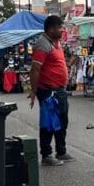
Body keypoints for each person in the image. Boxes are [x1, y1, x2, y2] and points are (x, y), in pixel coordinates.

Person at [28, 15, 74, 166]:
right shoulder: (43, 44)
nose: (62, 30)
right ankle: (46, 155)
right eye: (60, 28)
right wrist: (34, 91)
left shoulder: (56, 43)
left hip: (59, 90)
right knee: (49, 123)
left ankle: (61, 151)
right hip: (48, 91)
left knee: (62, 121)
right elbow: (35, 69)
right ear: (51, 29)